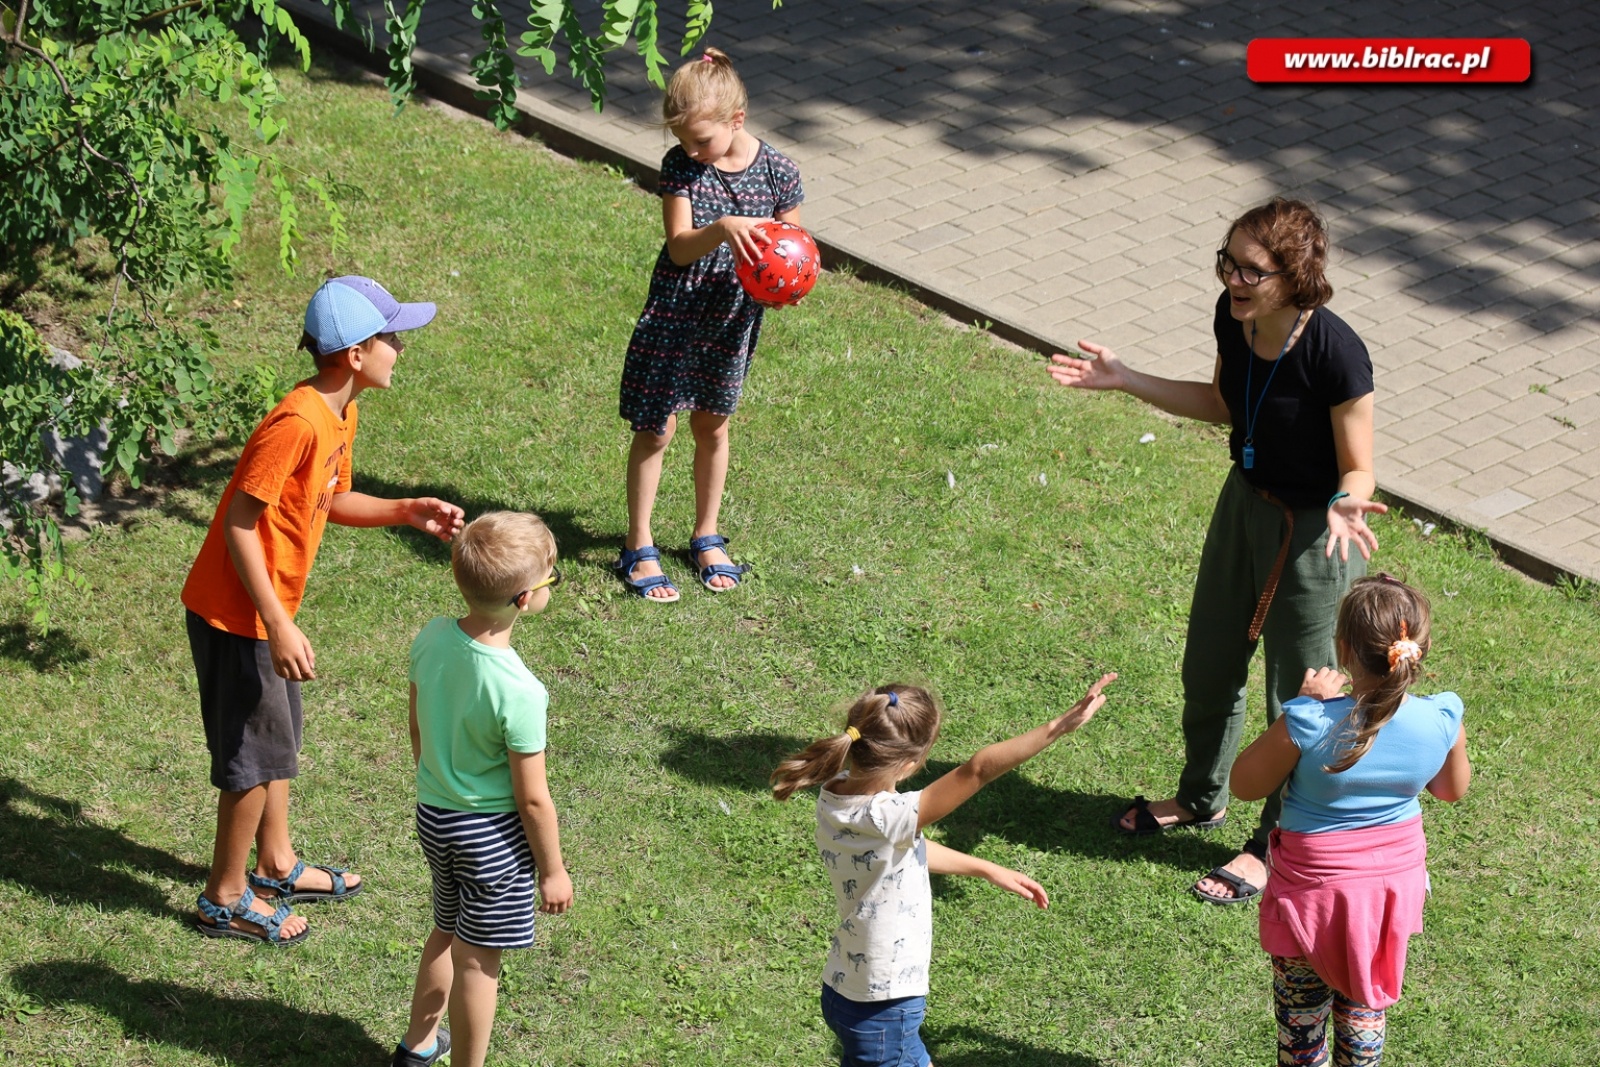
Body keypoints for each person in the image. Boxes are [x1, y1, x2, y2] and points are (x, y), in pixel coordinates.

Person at [1045, 197, 1388, 904]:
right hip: (1245, 506)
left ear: (1295, 276)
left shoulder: (1336, 352)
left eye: (1251, 270)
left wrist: (1348, 496)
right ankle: (1201, 796)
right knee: (1208, 662)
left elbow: (1359, 462)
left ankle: (1276, 837)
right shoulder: (1236, 321)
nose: (1233, 278)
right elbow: (1228, 404)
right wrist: (1127, 378)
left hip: (1320, 531)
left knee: (1302, 695)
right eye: (1227, 261)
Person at [183, 276, 464, 944]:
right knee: (252, 757)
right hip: (238, 615)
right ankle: (224, 895)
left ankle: (274, 862)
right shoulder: (298, 421)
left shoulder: (340, 412)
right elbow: (241, 523)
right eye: (391, 337)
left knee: (278, 738)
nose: (400, 347)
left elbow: (328, 498)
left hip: (266, 611)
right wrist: (277, 622)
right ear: (355, 353)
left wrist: (404, 509)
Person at [771, 674, 1116, 1067]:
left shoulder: (835, 791)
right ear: (910, 764)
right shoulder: (890, 816)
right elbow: (978, 770)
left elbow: (900, 852)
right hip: (885, 1008)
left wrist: (986, 868)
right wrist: (1058, 727)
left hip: (845, 989)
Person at [1230, 575, 1470, 1066]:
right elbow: (1450, 790)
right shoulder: (1444, 718)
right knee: (1364, 998)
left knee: (1302, 1024)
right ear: (1418, 651)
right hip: (1384, 898)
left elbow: (1244, 785)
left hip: (1312, 899)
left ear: (1342, 648)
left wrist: (1301, 706)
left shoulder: (1309, 721)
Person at [616, 46, 804, 602]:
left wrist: (786, 286)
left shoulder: (780, 171)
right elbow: (678, 249)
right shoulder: (682, 169)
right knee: (656, 428)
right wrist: (722, 227)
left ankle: (705, 534)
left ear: (736, 120)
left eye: (702, 140)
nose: (691, 151)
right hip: (678, 313)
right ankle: (638, 541)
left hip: (727, 320)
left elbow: (795, 250)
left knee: (712, 426)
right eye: (683, 140)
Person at [391, 511, 574, 1067]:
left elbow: (418, 722)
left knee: (445, 929)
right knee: (478, 962)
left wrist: (435, 781)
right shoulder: (519, 690)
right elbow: (533, 798)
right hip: (491, 839)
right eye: (551, 577)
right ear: (524, 599)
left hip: (435, 817)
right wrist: (553, 869)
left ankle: (418, 1044)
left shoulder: (431, 637)